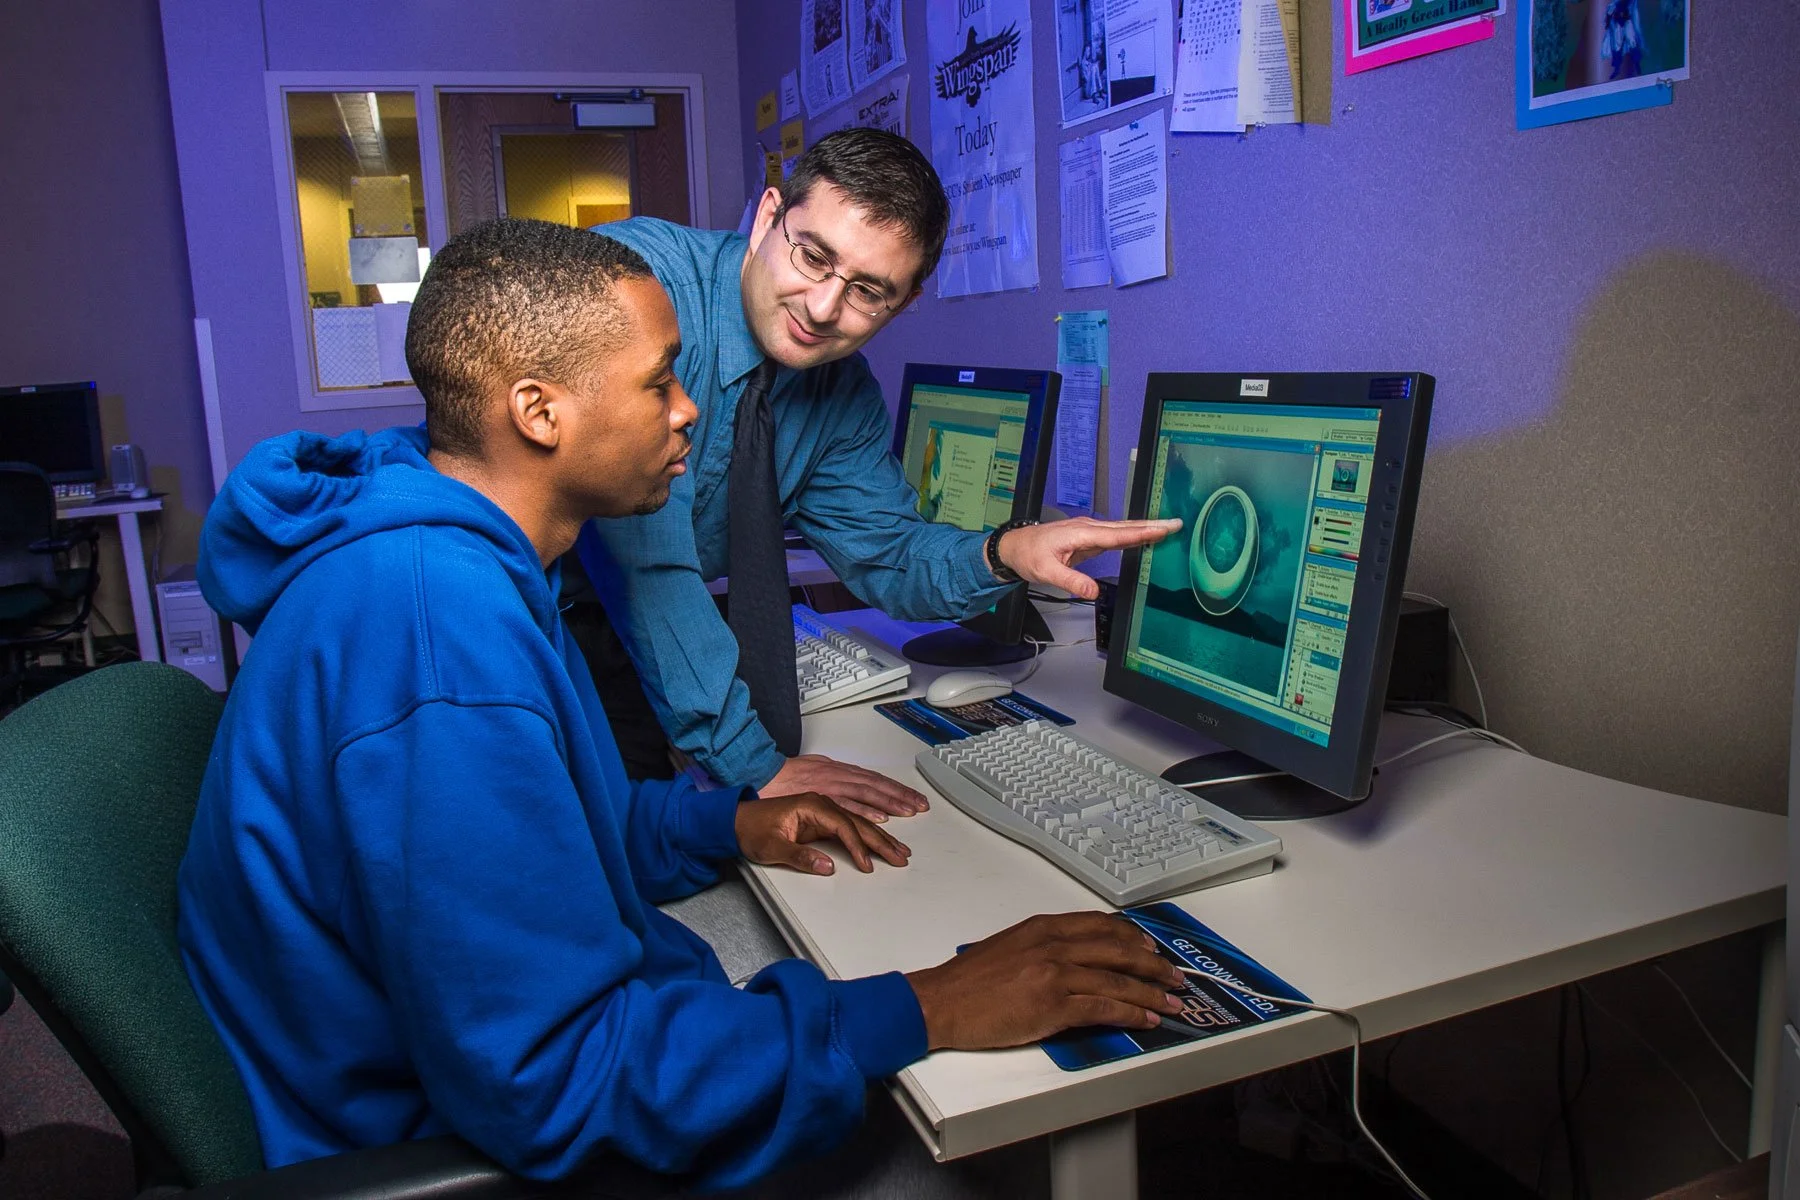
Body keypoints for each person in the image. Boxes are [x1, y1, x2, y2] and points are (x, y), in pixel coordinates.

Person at [178, 217, 1187, 1192]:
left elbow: (557, 829)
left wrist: (723, 820)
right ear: (539, 413)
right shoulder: (440, 642)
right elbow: (557, 1082)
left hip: (469, 1046)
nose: (688, 410)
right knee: (971, 1136)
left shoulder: (458, 543)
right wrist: (929, 1006)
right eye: (659, 381)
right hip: (420, 1130)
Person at [579, 128, 1180, 820]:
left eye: (868, 291)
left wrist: (1003, 551)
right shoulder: (638, 292)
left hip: (632, 661)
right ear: (767, 215)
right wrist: (757, 766)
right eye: (812, 256)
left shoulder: (839, 396)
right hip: (520, 627)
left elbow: (890, 558)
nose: (824, 308)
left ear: (906, 302)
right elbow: (647, 564)